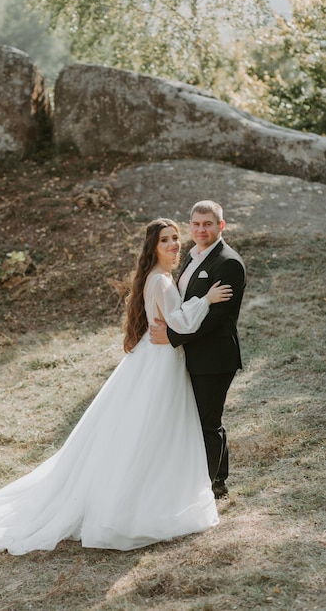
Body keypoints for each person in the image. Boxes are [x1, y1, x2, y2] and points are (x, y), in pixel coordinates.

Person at [0, 218, 233, 558]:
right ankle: (135, 501)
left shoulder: (158, 278)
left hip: (153, 358)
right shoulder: (160, 281)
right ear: (152, 247)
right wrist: (208, 299)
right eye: (166, 240)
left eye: (175, 238)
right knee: (152, 428)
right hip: (159, 364)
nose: (174, 244)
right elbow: (180, 322)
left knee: (147, 428)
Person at [150, 201, 246, 499]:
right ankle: (216, 480)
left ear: (221, 225)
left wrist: (173, 336)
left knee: (207, 422)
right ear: (190, 225)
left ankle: (208, 487)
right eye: (196, 224)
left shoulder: (227, 262)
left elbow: (218, 318)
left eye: (208, 223)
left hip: (214, 357)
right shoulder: (191, 258)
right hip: (193, 355)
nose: (201, 229)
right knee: (202, 419)